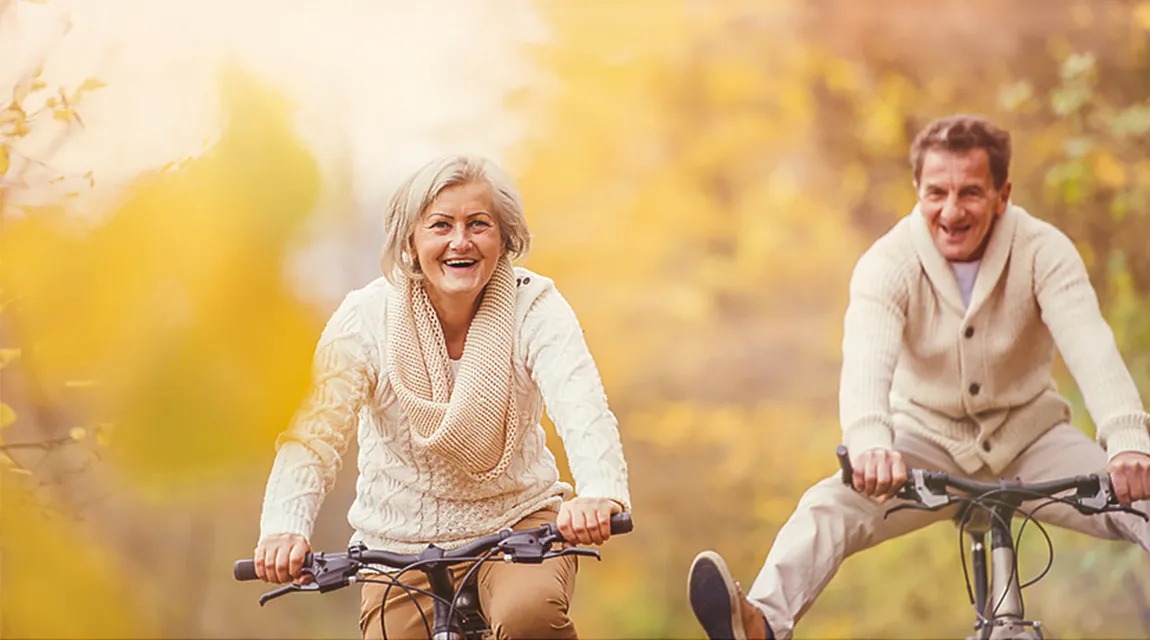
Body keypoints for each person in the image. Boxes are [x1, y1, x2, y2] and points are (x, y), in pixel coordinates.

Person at [686, 114, 1150, 640]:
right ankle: (761, 622)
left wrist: (1128, 442)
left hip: (1034, 438)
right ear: (917, 191)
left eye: (971, 193)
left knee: (1146, 498)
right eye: (937, 193)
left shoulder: (1045, 252)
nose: (951, 211)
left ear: (1003, 194)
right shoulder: (888, 263)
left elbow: (1092, 346)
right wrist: (870, 445)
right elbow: (866, 361)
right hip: (925, 444)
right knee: (828, 506)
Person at [251, 155, 631, 640]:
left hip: (518, 525)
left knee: (527, 616)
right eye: (440, 226)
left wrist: (600, 491)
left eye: (479, 224)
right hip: (396, 543)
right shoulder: (365, 318)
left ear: (504, 238)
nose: (461, 241)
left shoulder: (535, 307)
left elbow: (583, 408)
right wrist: (285, 525)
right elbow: (312, 437)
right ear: (410, 241)